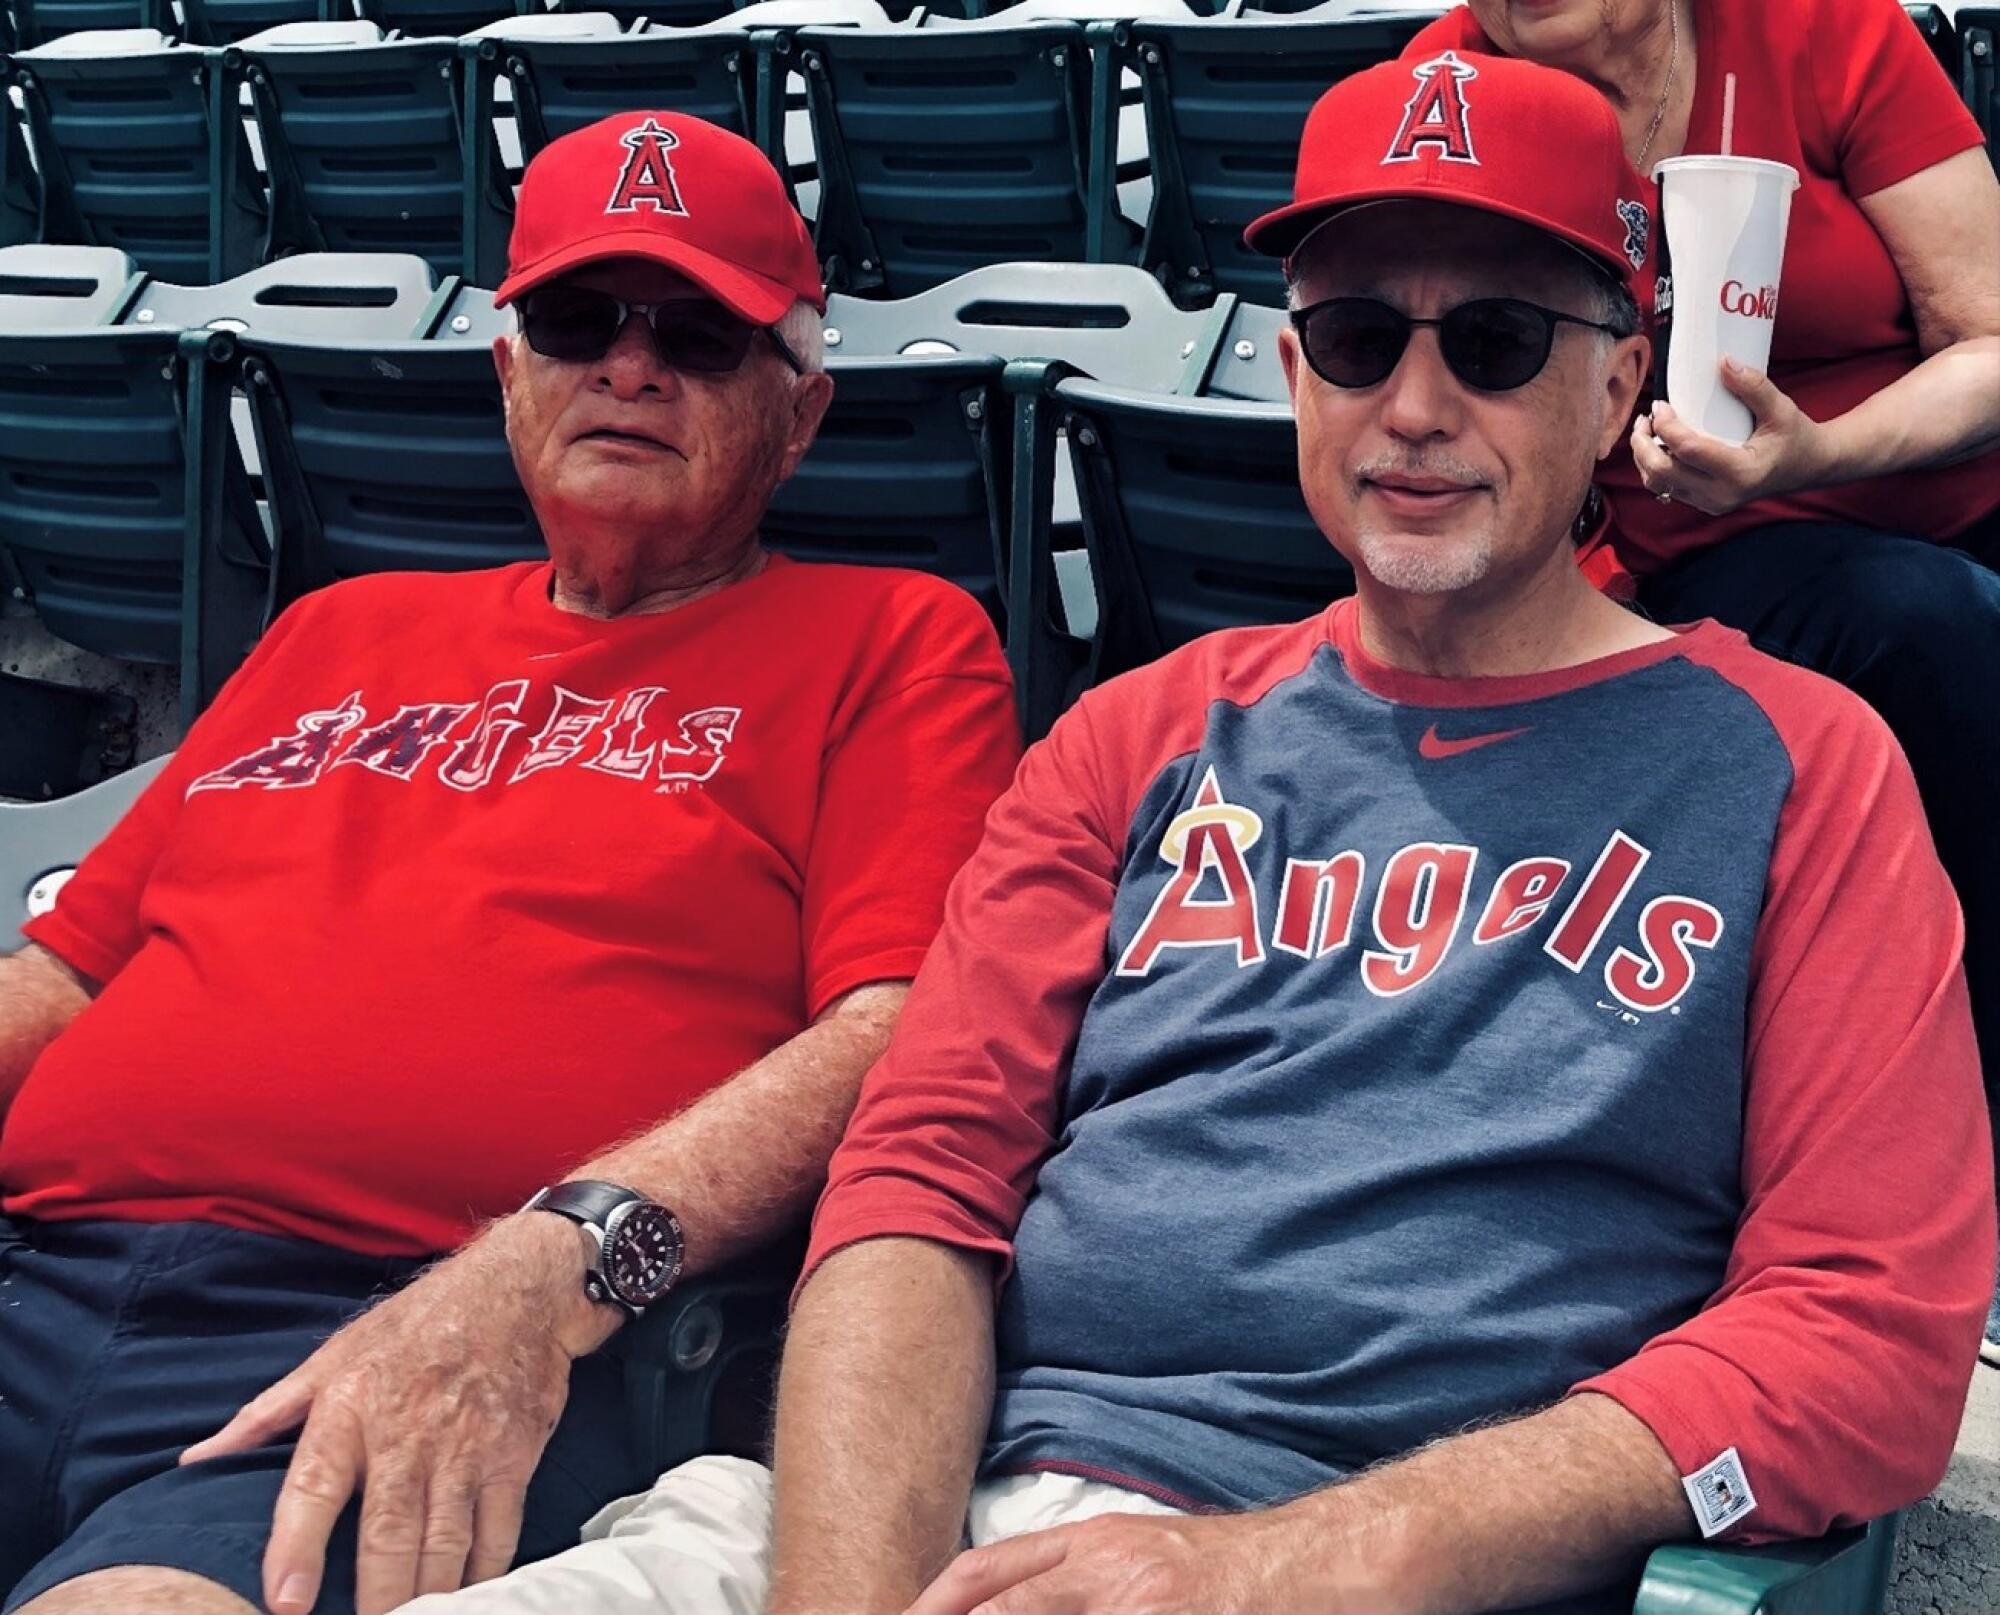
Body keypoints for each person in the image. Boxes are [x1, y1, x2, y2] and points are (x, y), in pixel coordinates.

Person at [399, 57, 1994, 1615]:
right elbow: (920, 1187)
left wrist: (1287, 1568)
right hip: (912, 1527)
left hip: (1401, 1563)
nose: (1417, 407)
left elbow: (1870, 1334)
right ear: (1297, 379)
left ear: (1618, 383)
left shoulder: (1804, 761)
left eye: (1499, 342)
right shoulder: (1135, 734)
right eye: (1359, 339)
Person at [0, 111, 1020, 1615]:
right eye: (577, 319)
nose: (629, 366)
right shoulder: (336, 629)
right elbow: (65, 971)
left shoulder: (896, 642)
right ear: (507, 369)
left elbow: (893, 1035)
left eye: (700, 335)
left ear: (798, 414)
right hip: (35, 1264)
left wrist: (563, 1258)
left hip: (397, 1315)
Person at [1402, 0, 2000, 1357]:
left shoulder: (1823, 30)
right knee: (1926, 629)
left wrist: (1821, 451)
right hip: (1693, 547)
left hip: (1923, 481)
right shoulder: (1447, 84)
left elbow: (1991, 336)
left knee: (1940, 608)